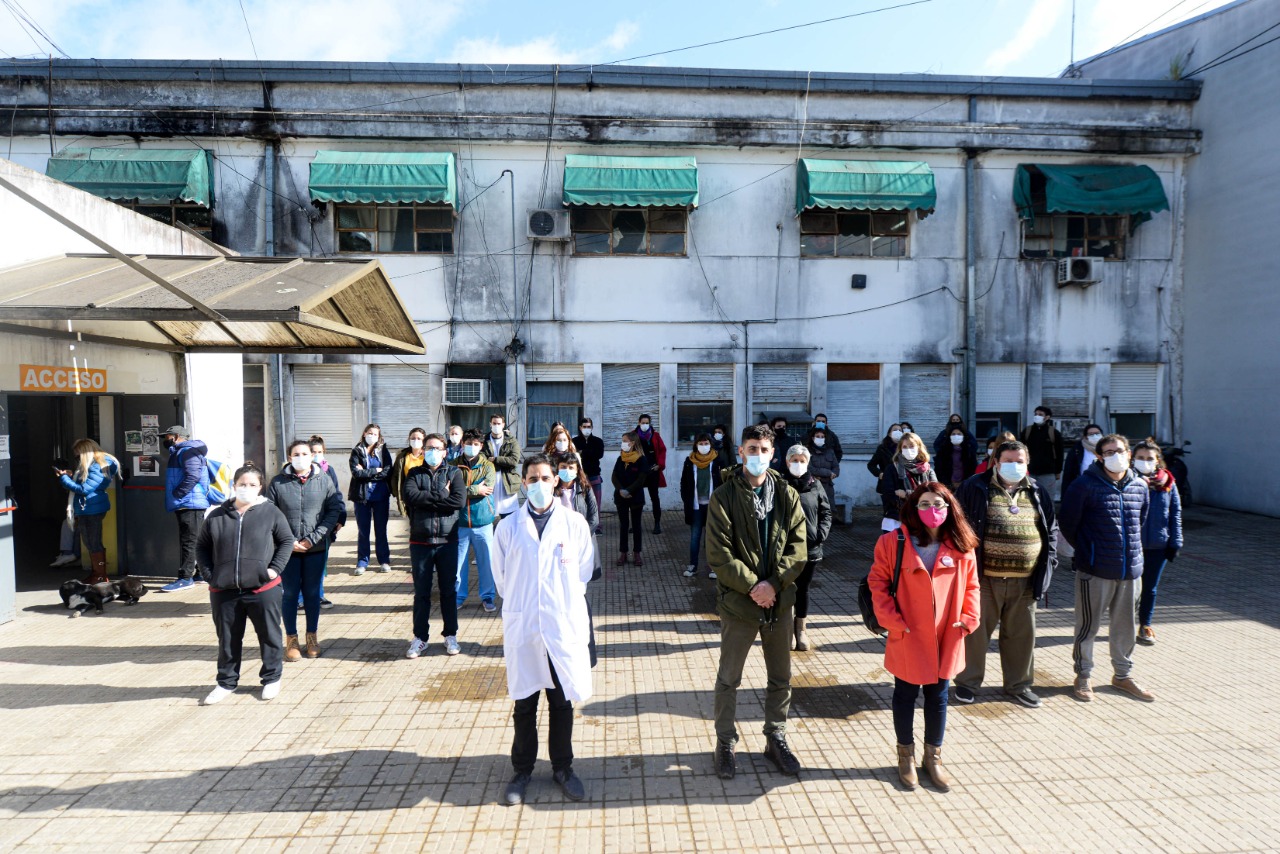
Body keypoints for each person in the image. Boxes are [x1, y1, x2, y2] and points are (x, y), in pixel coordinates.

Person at [493, 454, 595, 806]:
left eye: (544, 477)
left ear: (556, 481)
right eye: (531, 478)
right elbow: (502, 580)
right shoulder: (507, 528)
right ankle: (522, 770)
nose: (538, 484)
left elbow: (583, 573)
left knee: (561, 702)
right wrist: (529, 606)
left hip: (560, 627)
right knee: (524, 703)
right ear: (523, 483)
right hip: (525, 627)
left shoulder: (575, 523)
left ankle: (563, 768)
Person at [706, 424, 807, 781]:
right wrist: (755, 587)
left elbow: (799, 548)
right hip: (740, 605)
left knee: (780, 677)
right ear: (740, 452)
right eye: (751, 449)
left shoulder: (786, 494)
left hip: (779, 604)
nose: (758, 456)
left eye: (764, 449)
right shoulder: (723, 496)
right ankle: (724, 742)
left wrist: (775, 585)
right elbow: (718, 554)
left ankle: (775, 737)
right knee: (729, 678)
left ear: (773, 454)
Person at [869, 482, 980, 792]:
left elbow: (972, 586)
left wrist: (969, 618)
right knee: (905, 694)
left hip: (948, 631)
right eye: (925, 504)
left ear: (950, 508)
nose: (933, 510)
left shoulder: (962, 544)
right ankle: (905, 755)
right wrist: (892, 621)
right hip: (908, 631)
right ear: (913, 508)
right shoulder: (894, 542)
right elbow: (877, 583)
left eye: (939, 504)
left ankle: (934, 756)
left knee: (939, 696)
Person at [954, 440, 1057, 709]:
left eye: (1020, 461)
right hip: (984, 579)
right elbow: (957, 526)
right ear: (996, 462)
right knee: (975, 635)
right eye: (1009, 461)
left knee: (1022, 637)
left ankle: (1018, 685)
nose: (1014, 466)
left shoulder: (1037, 490)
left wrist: (1050, 562)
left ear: (1027, 463)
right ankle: (967, 683)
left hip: (1025, 581)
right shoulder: (975, 486)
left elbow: (1051, 528)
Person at [1059, 433, 1154, 703]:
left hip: (1131, 570)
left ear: (1129, 452)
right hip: (1095, 569)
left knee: (1125, 626)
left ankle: (1122, 675)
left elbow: (1140, 520)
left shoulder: (1139, 485)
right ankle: (1083, 676)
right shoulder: (1084, 485)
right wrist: (1088, 550)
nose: (1116, 455)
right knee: (1088, 627)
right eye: (1109, 452)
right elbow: (1068, 523)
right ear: (1099, 456)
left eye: (1120, 450)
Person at [195, 462, 294, 705]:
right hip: (224, 590)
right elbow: (202, 547)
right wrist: (210, 575)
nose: (246, 488)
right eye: (242, 484)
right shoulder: (217, 515)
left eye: (252, 485)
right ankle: (226, 682)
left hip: (263, 589)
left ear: (260, 487)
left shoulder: (271, 512)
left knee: (269, 635)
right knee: (227, 639)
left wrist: (273, 570)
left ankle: (271, 678)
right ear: (234, 485)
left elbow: (286, 541)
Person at [265, 440, 344, 662]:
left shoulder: (324, 480)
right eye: (296, 454)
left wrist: (311, 539)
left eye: (305, 453)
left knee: (311, 594)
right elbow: (270, 513)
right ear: (289, 458)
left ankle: (312, 636)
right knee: (289, 594)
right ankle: (291, 639)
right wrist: (288, 541)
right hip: (286, 551)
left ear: (312, 456)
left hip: (315, 548)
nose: (300, 457)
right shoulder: (277, 483)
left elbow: (332, 511)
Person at [402, 432, 467, 658]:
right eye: (428, 447)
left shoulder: (454, 472)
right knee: (422, 592)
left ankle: (451, 635)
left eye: (437, 448)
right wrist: (441, 494)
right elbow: (410, 497)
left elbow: (458, 501)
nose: (432, 452)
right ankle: (420, 638)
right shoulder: (414, 473)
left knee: (448, 591)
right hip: (421, 540)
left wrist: (428, 500)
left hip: (447, 541)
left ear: (445, 451)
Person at [1132, 439, 1183, 646]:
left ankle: (1145, 625)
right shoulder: (1126, 480)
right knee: (1128, 589)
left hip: (1157, 545)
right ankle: (1124, 623)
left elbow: (1175, 513)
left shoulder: (1168, 483)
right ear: (1132, 459)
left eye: (1149, 459)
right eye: (1140, 458)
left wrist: (1175, 542)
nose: (1145, 462)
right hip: (1131, 545)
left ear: (1157, 461)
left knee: (1150, 588)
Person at [782, 444, 831, 652]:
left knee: (803, 589)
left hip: (810, 548)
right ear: (787, 461)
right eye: (794, 460)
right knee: (785, 588)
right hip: (785, 549)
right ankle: (785, 630)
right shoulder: (779, 484)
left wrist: (820, 535)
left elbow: (826, 512)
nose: (798, 464)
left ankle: (800, 629)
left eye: (802, 461)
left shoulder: (815, 484)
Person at [55, 439, 119, 585]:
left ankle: (100, 576)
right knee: (90, 542)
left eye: (78, 455)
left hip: (91, 508)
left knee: (93, 542)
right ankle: (97, 574)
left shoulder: (99, 465)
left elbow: (85, 489)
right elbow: (85, 483)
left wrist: (64, 478)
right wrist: (72, 476)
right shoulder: (96, 464)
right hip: (89, 507)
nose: (77, 458)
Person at [159, 425, 211, 593]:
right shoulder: (181, 452)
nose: (165, 441)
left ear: (176, 436)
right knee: (193, 539)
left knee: (189, 541)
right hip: (187, 502)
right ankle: (200, 573)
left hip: (190, 502)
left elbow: (193, 475)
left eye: (166, 437)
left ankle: (185, 578)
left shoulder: (188, 451)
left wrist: (179, 493)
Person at [456, 429, 498, 613]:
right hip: (460, 522)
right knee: (458, 564)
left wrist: (463, 490)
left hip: (483, 522)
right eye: (468, 443)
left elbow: (487, 489)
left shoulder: (487, 466)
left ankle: (488, 597)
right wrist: (474, 489)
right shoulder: (452, 465)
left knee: (487, 563)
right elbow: (451, 491)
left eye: (475, 444)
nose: (471, 447)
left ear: (481, 446)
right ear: (462, 444)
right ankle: (457, 597)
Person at [349, 423, 393, 575]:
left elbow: (387, 471)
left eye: (375, 434)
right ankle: (362, 562)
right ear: (364, 433)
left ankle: (384, 561)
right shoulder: (357, 451)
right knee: (363, 530)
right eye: (370, 433)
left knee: (381, 530)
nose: (372, 436)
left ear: (379, 436)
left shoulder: (383, 450)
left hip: (380, 495)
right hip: (362, 496)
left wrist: (367, 472)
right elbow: (356, 473)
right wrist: (375, 471)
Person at [307, 435, 345, 610]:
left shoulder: (329, 471)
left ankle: (318, 595)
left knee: (320, 563)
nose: (316, 455)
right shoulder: (297, 473)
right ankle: (300, 598)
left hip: (324, 526)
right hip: (304, 526)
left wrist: (340, 516)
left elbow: (336, 495)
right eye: (313, 452)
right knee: (302, 564)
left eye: (319, 452)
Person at [680, 432, 725, 578]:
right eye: (701, 443)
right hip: (696, 506)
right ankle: (693, 565)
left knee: (712, 538)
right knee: (695, 537)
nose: (703, 446)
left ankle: (713, 567)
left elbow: (724, 482)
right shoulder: (689, 461)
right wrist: (686, 500)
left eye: (706, 443)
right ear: (696, 445)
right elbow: (684, 483)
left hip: (713, 505)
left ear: (711, 445)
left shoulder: (718, 461)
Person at [881, 431, 937, 532]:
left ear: (919, 448)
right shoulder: (892, 468)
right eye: (905, 447)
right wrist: (919, 495)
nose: (908, 450)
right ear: (900, 449)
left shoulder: (928, 470)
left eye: (911, 446)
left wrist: (906, 495)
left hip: (922, 518)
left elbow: (934, 493)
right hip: (896, 519)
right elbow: (887, 493)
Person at [612, 431, 648, 565]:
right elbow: (614, 476)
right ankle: (623, 553)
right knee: (623, 525)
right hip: (621, 497)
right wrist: (621, 489)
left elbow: (641, 479)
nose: (623, 444)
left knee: (636, 525)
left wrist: (629, 490)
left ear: (632, 443)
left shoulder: (641, 459)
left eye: (625, 441)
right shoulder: (620, 458)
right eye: (622, 441)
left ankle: (637, 553)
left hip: (635, 497)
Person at [481, 413, 522, 519]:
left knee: (510, 518)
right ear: (490, 424)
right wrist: (502, 461)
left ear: (503, 424)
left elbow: (514, 461)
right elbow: (481, 460)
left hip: (507, 482)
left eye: (499, 423)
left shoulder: (511, 440)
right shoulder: (484, 440)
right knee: (489, 515)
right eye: (494, 423)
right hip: (489, 482)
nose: (496, 426)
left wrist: (495, 459)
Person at [1022, 406, 1065, 497]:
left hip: (1048, 473)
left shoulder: (1054, 433)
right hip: (1029, 472)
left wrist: (1058, 471)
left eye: (1040, 414)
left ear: (1047, 417)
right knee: (1027, 498)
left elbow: (1059, 453)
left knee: (1047, 498)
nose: (1037, 416)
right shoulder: (1027, 431)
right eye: (1036, 414)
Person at [635, 414, 667, 534]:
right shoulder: (634, 435)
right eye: (643, 422)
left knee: (654, 498)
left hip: (653, 471)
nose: (645, 425)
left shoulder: (655, 435)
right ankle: (635, 524)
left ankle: (657, 523)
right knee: (637, 498)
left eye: (647, 422)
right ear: (639, 423)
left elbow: (663, 450)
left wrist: (660, 464)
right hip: (638, 472)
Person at [388, 427, 428, 519]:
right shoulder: (403, 456)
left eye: (419, 438)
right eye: (413, 438)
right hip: (409, 496)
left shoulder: (428, 455)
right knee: (412, 523)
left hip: (425, 494)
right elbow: (395, 476)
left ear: (424, 440)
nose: (415, 440)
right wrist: (396, 492)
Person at [574, 417, 605, 532]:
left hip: (594, 475)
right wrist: (588, 453)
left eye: (589, 427)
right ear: (580, 428)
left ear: (592, 427)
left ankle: (597, 526)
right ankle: (582, 526)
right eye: (584, 427)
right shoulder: (575, 441)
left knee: (596, 502)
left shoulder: (598, 441)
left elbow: (599, 454)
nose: (586, 429)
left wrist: (583, 452)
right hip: (580, 477)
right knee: (580, 502)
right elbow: (574, 456)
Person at [1061, 424, 1104, 499]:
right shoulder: (1077, 449)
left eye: (1097, 433)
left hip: (1103, 487)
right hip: (1083, 487)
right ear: (1085, 437)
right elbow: (1068, 473)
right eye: (1091, 434)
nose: (1095, 436)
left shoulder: (1108, 448)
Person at [935, 423, 978, 492]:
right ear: (949, 436)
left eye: (959, 434)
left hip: (965, 486)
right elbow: (939, 469)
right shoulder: (943, 451)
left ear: (963, 436)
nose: (956, 436)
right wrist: (948, 483)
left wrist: (964, 483)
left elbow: (973, 469)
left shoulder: (969, 451)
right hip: (947, 487)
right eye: (953, 434)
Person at [805, 426, 840, 506]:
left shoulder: (830, 451)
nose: (820, 438)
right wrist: (828, 473)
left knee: (829, 509)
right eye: (817, 436)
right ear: (813, 438)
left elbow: (836, 467)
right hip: (813, 486)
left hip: (828, 486)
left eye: (822, 437)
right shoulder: (807, 451)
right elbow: (810, 468)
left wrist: (834, 473)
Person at [867, 424, 904, 498]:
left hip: (903, 484)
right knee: (890, 508)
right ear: (889, 434)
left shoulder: (906, 448)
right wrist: (880, 474)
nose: (898, 432)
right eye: (895, 430)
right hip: (887, 483)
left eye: (900, 430)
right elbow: (871, 465)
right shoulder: (882, 448)